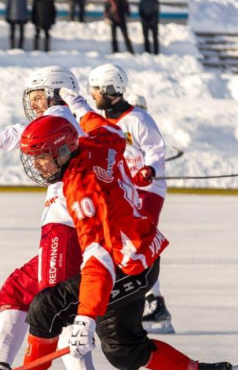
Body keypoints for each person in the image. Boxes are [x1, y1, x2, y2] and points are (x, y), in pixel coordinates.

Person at [0, 113, 238, 370]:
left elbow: (98, 258)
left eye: (42, 156)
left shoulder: (82, 189)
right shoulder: (94, 142)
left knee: (46, 306)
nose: (37, 165)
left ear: (62, 151)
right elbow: (110, 129)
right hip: (142, 255)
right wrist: (77, 104)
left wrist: (85, 316)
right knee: (125, 352)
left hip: (125, 264)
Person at [0, 66, 104, 370]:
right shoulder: (70, 120)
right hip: (63, 227)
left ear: (56, 94)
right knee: (18, 290)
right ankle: (1, 366)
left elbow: (30, 131)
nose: (35, 104)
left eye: (39, 96)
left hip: (65, 228)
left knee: (53, 304)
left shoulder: (63, 116)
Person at [84, 64, 174, 334]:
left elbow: (156, 150)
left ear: (110, 91)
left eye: (96, 89)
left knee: (137, 243)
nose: (91, 94)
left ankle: (153, 303)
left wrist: (151, 170)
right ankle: (151, 302)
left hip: (148, 190)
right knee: (122, 244)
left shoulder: (138, 120)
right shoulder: (100, 120)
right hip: (127, 192)